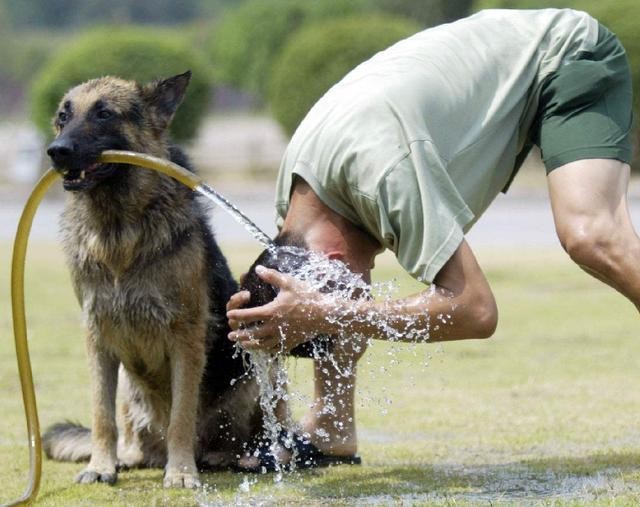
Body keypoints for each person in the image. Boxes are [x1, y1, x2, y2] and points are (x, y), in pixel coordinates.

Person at [226, 8, 636, 468]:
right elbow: (327, 294)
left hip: (566, 53)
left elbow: (476, 310)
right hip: (500, 66)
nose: (349, 300)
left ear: (334, 258)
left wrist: (327, 311)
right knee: (334, 301)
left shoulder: (384, 173)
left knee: (591, 234)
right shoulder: (299, 211)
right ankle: (330, 426)